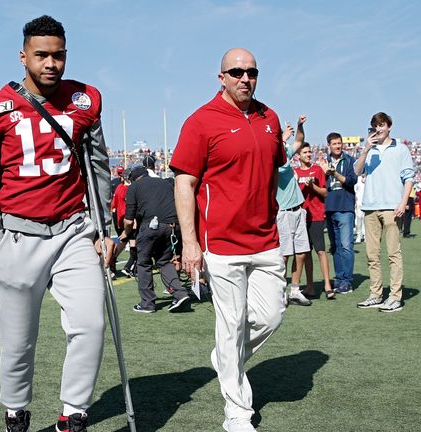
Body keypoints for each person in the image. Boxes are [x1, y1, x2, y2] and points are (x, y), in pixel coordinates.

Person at [0, 15, 113, 432]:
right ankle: (16, 410)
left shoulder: (85, 101)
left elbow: (98, 169)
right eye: (42, 55)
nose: (51, 63)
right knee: (16, 342)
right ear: (23, 56)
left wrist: (105, 230)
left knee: (90, 323)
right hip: (19, 234)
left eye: (59, 55)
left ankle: (74, 413)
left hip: (73, 231)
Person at [171, 48, 287, 432]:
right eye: (236, 71)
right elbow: (184, 182)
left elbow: (274, 171)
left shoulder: (270, 117)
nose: (245, 78)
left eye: (252, 72)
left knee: (271, 316)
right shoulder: (200, 121)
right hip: (220, 243)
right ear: (221, 77)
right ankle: (237, 414)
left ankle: (226, 358)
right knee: (231, 324)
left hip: (266, 239)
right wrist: (190, 242)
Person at [354, 112, 414, 313]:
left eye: (381, 125)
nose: (378, 129)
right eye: (375, 125)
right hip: (370, 207)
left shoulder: (401, 149)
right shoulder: (369, 150)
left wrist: (403, 203)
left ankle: (395, 297)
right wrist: (365, 150)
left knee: (393, 254)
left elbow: (409, 178)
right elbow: (357, 171)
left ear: (389, 126)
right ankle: (375, 294)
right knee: (372, 255)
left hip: (392, 207)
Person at [122, 165, 190, 313]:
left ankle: (147, 303)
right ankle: (180, 294)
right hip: (173, 225)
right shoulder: (164, 182)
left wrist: (126, 234)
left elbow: (128, 220)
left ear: (133, 178)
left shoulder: (134, 187)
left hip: (152, 226)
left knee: (143, 262)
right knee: (164, 261)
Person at [275, 115, 312, 306]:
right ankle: (281, 291)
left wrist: (299, 126)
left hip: (298, 209)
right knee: (285, 254)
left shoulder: (286, 151)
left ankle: (295, 290)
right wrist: (282, 139)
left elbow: (299, 140)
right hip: (283, 212)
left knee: (302, 252)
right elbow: (277, 160)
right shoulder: (273, 155)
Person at [295, 142, 334, 300]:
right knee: (306, 253)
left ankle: (327, 285)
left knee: (321, 250)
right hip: (301, 216)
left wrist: (312, 187)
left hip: (316, 215)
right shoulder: (295, 172)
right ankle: (310, 286)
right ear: (298, 155)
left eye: (309, 152)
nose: (308, 154)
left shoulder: (317, 170)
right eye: (305, 152)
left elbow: (325, 192)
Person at [319, 132, 357, 293]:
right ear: (329, 145)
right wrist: (321, 170)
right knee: (335, 246)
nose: (338, 146)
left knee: (347, 246)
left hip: (345, 207)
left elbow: (351, 181)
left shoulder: (350, 161)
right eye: (334, 144)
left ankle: (346, 280)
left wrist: (334, 173)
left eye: (339, 143)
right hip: (329, 208)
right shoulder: (323, 162)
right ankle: (339, 277)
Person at [354, 174, 366, 243]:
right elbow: (355, 191)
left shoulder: (368, 178)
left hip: (367, 203)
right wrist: (355, 202)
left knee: (365, 219)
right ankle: (359, 235)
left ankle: (365, 235)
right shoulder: (357, 179)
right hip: (358, 202)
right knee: (358, 218)